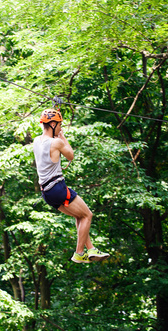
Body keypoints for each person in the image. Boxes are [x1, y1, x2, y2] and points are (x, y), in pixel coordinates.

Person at [33, 108, 110, 264]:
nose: (61, 128)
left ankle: (91, 249)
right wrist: (63, 138)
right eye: (60, 125)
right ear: (53, 124)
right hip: (58, 188)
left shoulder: (36, 141)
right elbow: (71, 155)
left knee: (79, 216)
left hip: (47, 193)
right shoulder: (57, 142)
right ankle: (79, 252)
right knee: (88, 215)